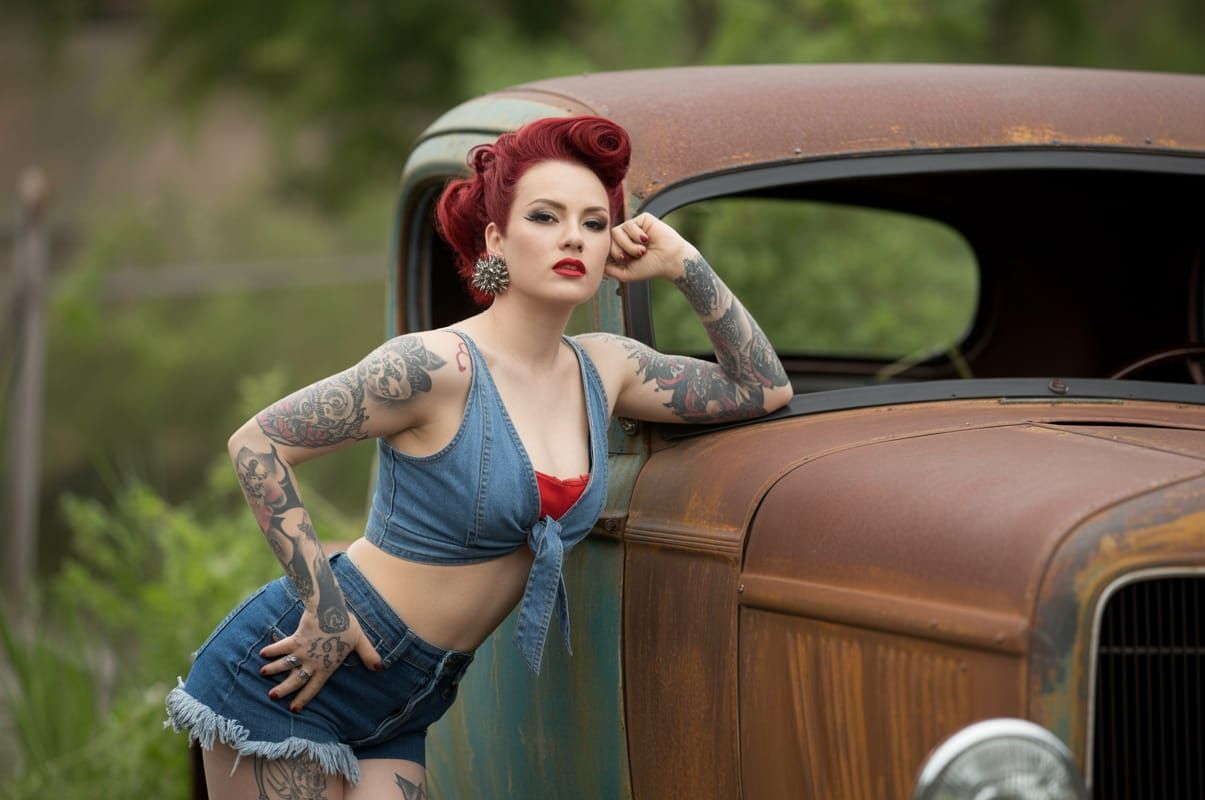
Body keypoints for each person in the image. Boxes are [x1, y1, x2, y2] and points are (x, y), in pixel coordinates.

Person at [165, 115, 792, 799]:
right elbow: (257, 443)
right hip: (298, 673)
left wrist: (683, 264)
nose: (571, 238)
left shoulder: (606, 369)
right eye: (546, 217)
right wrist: (326, 609)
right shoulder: (436, 365)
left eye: (590, 222)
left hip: (413, 698)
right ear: (497, 238)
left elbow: (761, 386)